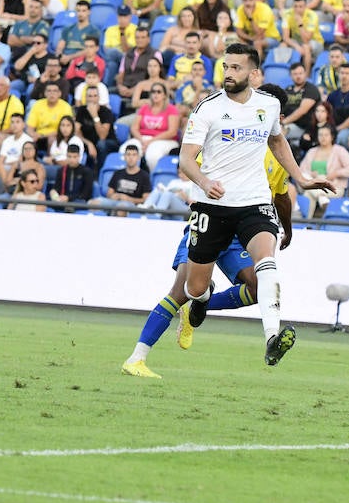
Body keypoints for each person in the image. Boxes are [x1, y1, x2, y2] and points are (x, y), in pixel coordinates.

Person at [176, 43, 334, 367]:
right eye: (225, 67)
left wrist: (301, 179)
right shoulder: (207, 108)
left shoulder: (269, 105)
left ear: (253, 72)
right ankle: (202, 299)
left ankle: (272, 337)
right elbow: (185, 159)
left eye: (236, 68)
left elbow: (277, 140)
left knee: (266, 261)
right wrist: (205, 183)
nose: (229, 73)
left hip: (254, 202)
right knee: (194, 287)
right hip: (213, 205)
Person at [123, 83, 295, 379]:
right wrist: (204, 187)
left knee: (257, 286)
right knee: (182, 290)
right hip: (209, 220)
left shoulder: (277, 153)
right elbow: (191, 164)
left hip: (242, 228)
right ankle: (137, 358)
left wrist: (286, 228)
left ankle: (198, 308)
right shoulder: (228, 135)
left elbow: (280, 195)